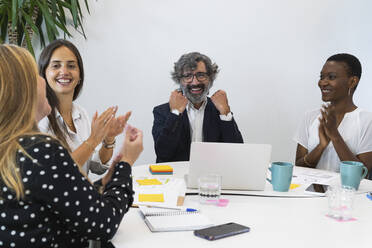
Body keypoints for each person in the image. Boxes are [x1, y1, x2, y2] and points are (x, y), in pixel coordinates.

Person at [0, 44, 143, 248]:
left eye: (71, 66)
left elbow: (66, 188)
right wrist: (126, 160)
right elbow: (104, 223)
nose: (63, 72)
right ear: (23, 89)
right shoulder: (39, 149)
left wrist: (111, 149)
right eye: (37, 75)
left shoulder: (14, 145)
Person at [38, 39, 128, 176]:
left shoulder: (80, 113)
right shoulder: (40, 119)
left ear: (79, 75)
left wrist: (108, 139)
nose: (64, 71)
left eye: (71, 66)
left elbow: (96, 166)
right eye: (56, 66)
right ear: (44, 74)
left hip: (80, 195)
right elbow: (57, 174)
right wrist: (93, 139)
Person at [152, 52, 243, 163]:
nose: (194, 82)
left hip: (211, 176)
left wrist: (225, 113)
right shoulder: (162, 112)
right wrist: (175, 113)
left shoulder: (219, 109)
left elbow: (237, 153)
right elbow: (163, 153)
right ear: (179, 80)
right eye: (187, 76)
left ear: (210, 78)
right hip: (175, 177)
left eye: (201, 75)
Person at [294, 53, 372, 174]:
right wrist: (321, 146)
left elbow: (362, 175)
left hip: (346, 193)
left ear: (352, 82)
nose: (322, 83)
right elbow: (298, 168)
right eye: (321, 77)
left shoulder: (367, 121)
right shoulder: (310, 117)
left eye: (331, 77)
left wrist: (335, 136)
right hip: (310, 193)